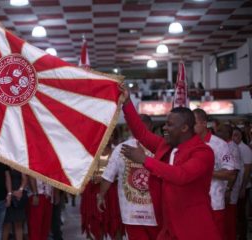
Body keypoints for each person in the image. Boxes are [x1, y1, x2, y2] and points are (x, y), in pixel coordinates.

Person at [119, 84, 220, 240]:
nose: (165, 128)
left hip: (194, 228)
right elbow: (142, 133)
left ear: (185, 128)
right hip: (168, 226)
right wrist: (127, 104)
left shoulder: (203, 152)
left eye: (170, 124)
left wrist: (145, 160)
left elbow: (182, 175)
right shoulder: (166, 146)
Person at [97, 114, 160, 240]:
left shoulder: (121, 148)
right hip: (156, 213)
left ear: (132, 128)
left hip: (131, 213)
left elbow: (108, 176)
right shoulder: (160, 147)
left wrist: (101, 196)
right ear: (151, 127)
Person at [193, 109, 238, 239]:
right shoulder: (187, 144)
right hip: (192, 205)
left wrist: (206, 172)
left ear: (204, 123)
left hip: (214, 204)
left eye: (194, 123)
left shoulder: (219, 144)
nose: (191, 126)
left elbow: (231, 173)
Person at [81, 131, 121, 240]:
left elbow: (122, 173)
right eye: (106, 134)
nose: (109, 137)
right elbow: (83, 171)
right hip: (93, 191)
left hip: (112, 192)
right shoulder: (90, 151)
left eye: (111, 135)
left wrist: (107, 178)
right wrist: (91, 178)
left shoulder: (117, 152)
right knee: (97, 225)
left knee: (115, 224)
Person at [215, 124, 241, 240]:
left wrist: (228, 190)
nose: (217, 133)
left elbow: (233, 172)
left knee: (229, 223)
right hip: (224, 190)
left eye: (220, 131)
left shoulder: (231, 147)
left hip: (229, 191)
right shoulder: (224, 145)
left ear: (227, 133)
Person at [232, 127, 252, 240]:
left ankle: (243, 236)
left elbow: (248, 169)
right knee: (237, 213)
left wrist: (243, 187)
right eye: (233, 135)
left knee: (241, 214)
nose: (234, 137)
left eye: (236, 135)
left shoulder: (244, 149)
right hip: (237, 186)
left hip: (243, 186)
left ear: (240, 136)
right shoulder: (234, 147)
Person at [2, 169, 28, 240]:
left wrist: (20, 190)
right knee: (6, 223)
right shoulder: (5, 162)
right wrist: (10, 194)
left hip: (19, 196)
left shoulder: (19, 163)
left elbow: (25, 179)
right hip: (7, 195)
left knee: (18, 224)